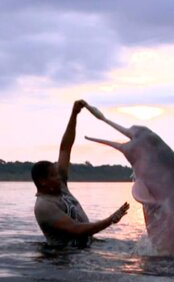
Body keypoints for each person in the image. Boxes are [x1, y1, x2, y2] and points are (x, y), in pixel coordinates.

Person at [32, 100, 130, 247]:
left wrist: (74, 114)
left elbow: (65, 148)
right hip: (65, 259)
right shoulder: (44, 206)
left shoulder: (60, 186)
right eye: (54, 175)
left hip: (86, 250)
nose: (59, 176)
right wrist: (111, 219)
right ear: (42, 181)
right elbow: (76, 229)